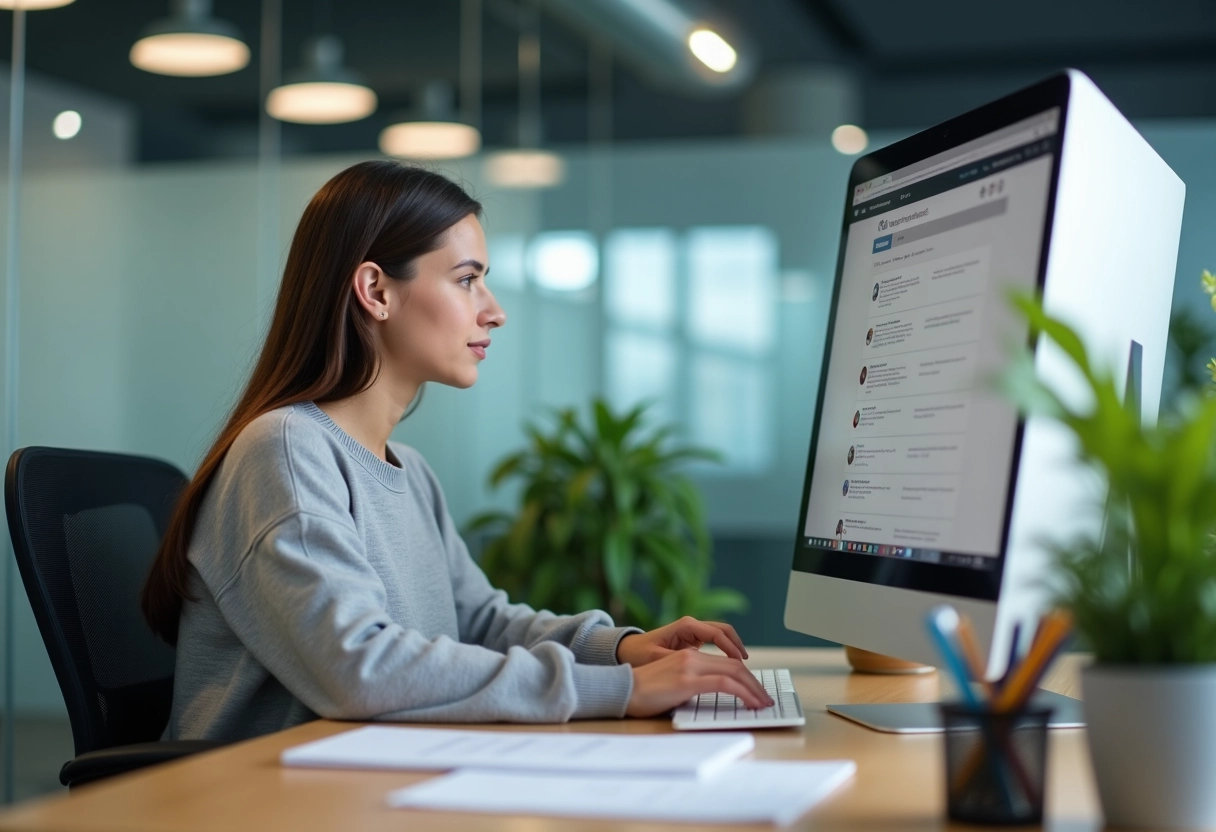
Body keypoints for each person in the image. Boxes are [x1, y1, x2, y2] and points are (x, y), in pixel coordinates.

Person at [142, 161, 772, 743]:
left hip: (367, 777)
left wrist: (618, 650)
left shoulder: (407, 471)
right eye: (468, 280)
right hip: (264, 795)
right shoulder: (285, 449)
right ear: (376, 291)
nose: (494, 312)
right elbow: (358, 667)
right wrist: (620, 691)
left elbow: (478, 623)